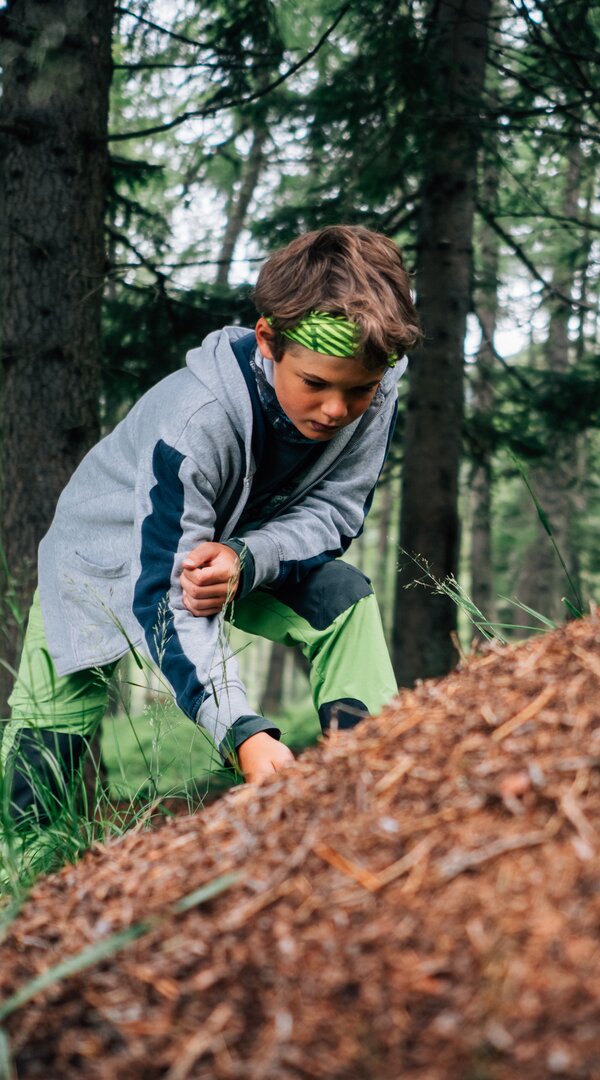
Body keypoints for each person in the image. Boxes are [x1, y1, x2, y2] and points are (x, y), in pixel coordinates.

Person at [1, 224, 420, 837]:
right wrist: (243, 734)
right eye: (316, 385)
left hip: (237, 548)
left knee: (342, 599)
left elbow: (335, 510)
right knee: (51, 731)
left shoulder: (375, 389)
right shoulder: (194, 422)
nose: (336, 410)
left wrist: (247, 558)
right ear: (269, 341)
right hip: (100, 560)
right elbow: (169, 597)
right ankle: (16, 878)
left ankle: (367, 784)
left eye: (357, 390)